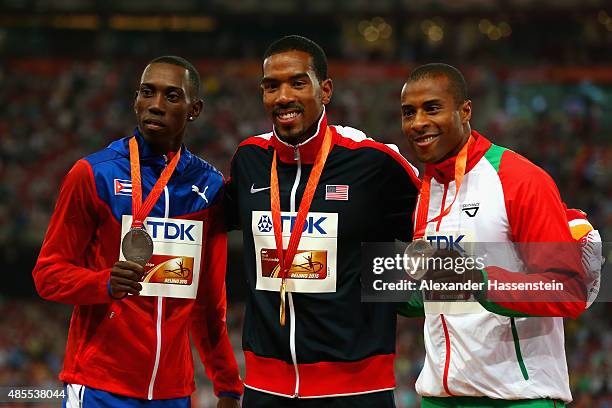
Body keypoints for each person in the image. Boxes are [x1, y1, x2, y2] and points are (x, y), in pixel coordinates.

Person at [32, 56, 242, 408]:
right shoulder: (92, 175)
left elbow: (207, 303)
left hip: (174, 394)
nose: (156, 106)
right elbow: (47, 275)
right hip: (100, 386)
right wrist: (104, 283)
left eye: (172, 96)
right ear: (135, 100)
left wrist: (228, 385)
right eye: (148, 92)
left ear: (195, 109)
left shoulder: (210, 188)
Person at [224, 35, 420, 406]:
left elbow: (441, 222)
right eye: (271, 86)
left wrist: (393, 289)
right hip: (266, 389)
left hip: (357, 390)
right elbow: (212, 219)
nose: (283, 97)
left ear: (325, 90)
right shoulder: (248, 159)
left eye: (298, 83)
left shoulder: (374, 164)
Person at [398, 63, 597, 407]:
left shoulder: (518, 179)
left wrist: (479, 281)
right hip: (438, 399)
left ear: (465, 111)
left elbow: (568, 290)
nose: (418, 123)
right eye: (408, 113)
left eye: (432, 108)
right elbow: (437, 295)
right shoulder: (422, 192)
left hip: (517, 399)